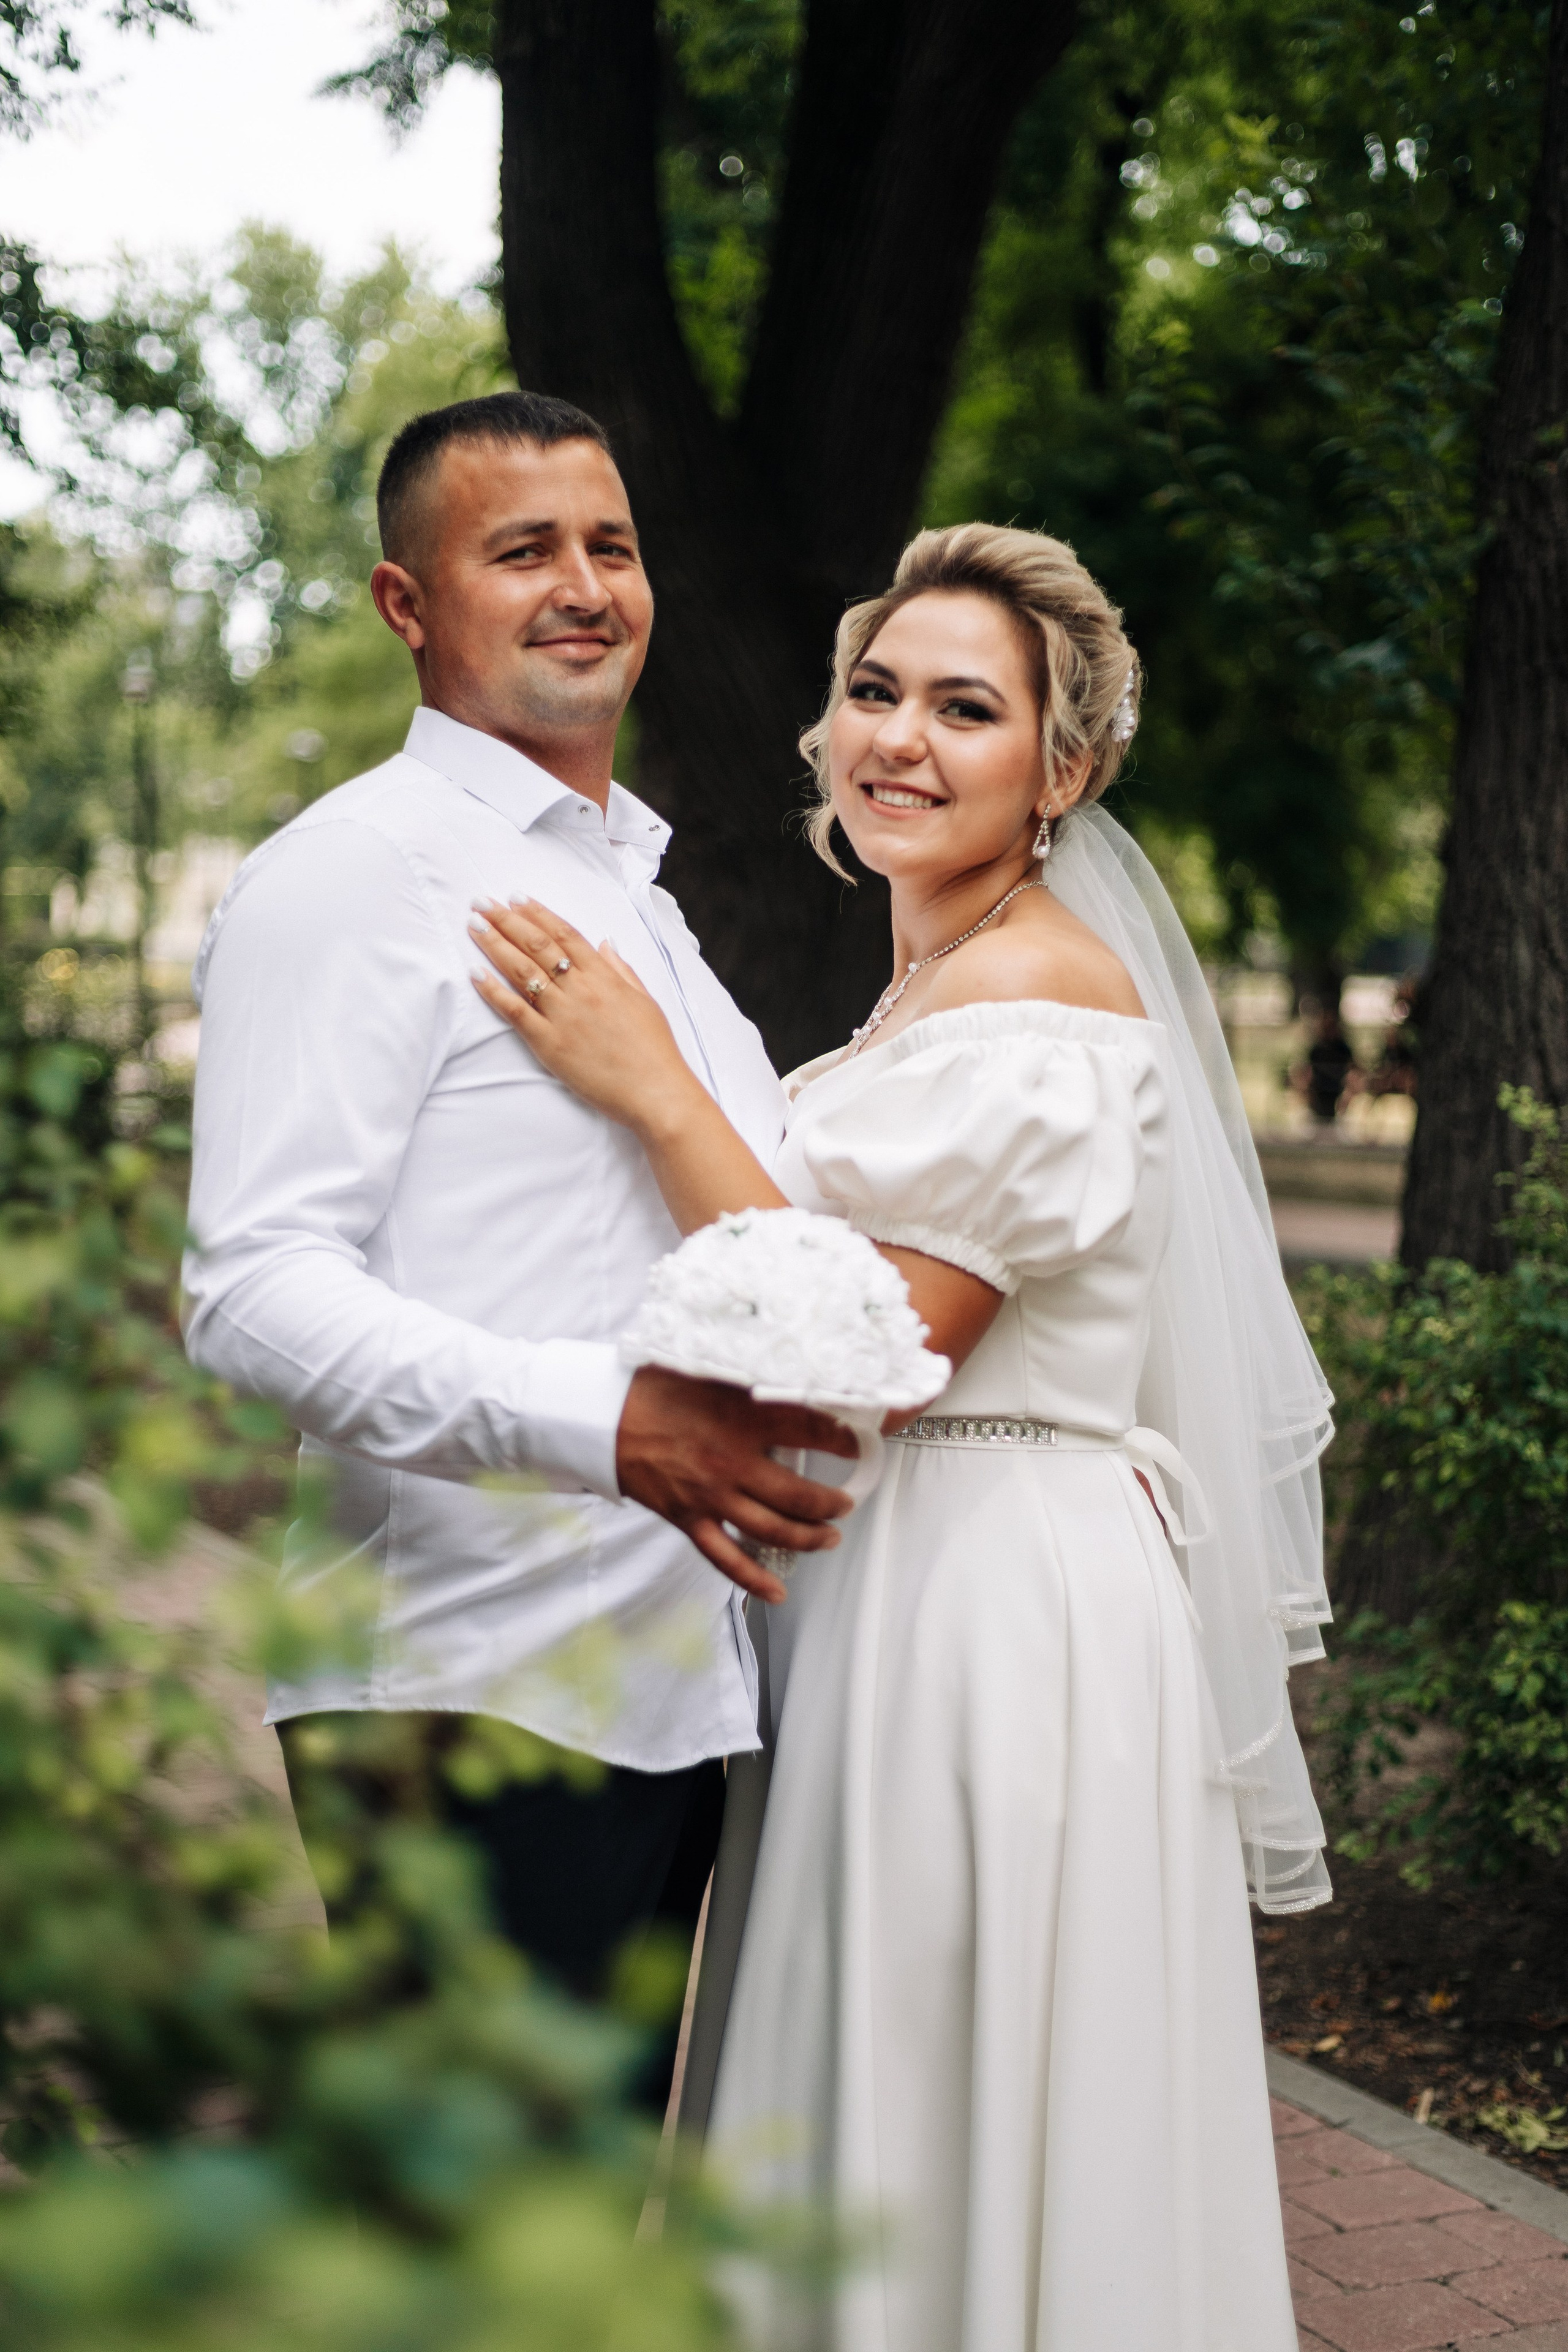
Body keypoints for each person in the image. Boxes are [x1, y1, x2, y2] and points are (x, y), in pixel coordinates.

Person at [470, 523, 1335, 2348]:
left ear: (1063, 771)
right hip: (884, 1600)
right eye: (876, 692)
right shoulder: (922, 1001)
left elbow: (867, 1347)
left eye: (967, 708)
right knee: (868, 2084)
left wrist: (645, 1084)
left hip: (987, 1611)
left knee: (943, 2073)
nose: (902, 740)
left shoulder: (1045, 1004)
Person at [181, 390, 855, 2111]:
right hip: (463, 1702)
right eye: (524, 549)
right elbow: (251, 1288)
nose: (585, 585)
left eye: (612, 546)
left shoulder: (642, 893)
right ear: (410, 605)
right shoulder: (356, 873)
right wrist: (603, 1422)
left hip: (665, 1696)